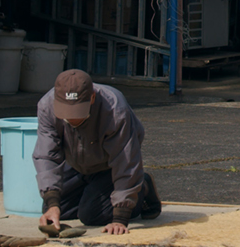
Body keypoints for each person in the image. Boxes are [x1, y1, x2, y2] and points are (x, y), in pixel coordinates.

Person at [32, 69, 160, 235]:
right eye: (66, 113)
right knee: (55, 208)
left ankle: (142, 186)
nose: (72, 119)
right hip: (76, 163)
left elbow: (126, 161)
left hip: (107, 166)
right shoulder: (46, 106)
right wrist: (52, 204)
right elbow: (46, 155)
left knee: (93, 215)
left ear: (92, 97)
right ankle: (91, 195)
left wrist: (120, 217)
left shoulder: (115, 108)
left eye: (77, 112)